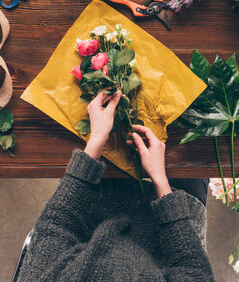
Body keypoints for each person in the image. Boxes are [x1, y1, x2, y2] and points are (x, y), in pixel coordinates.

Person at [17, 90, 214, 281]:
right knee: (199, 117)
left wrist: (96, 140)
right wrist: (161, 180)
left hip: (96, 204)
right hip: (169, 233)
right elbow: (195, 272)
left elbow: (57, 224)